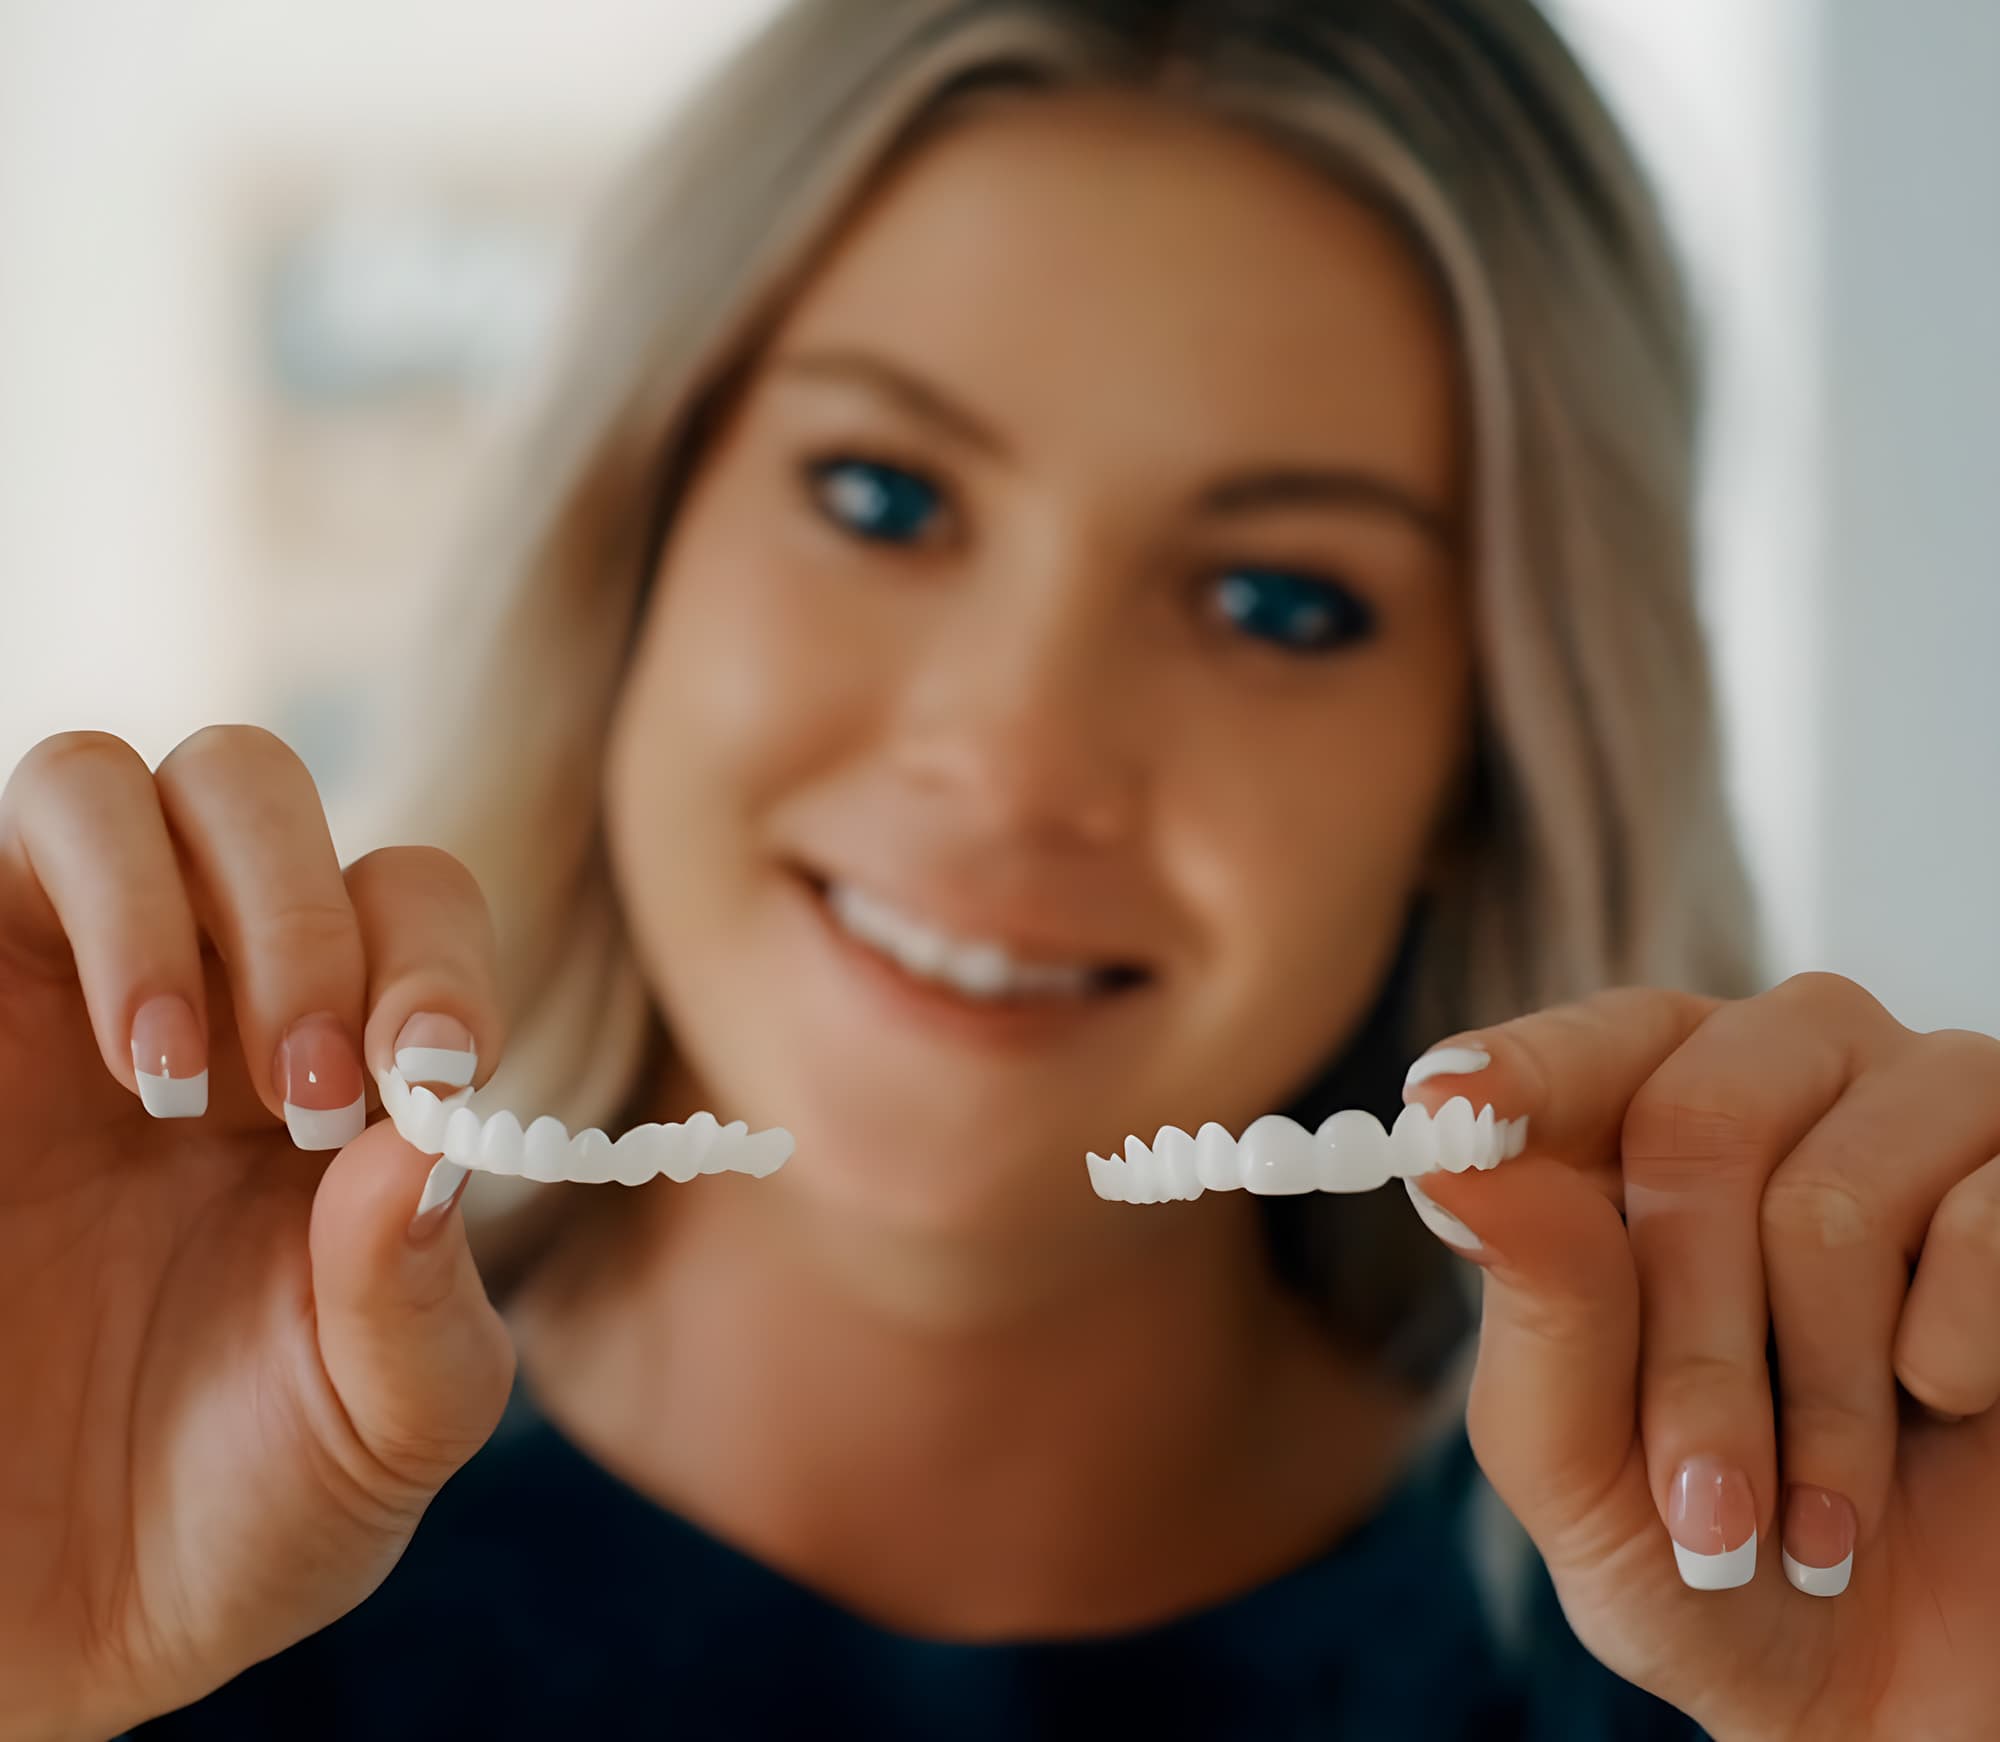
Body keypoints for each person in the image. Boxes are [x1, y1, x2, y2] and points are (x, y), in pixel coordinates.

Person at [4, 3, 1996, 1738]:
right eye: (881, 496)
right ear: (631, 553)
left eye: (1275, 599)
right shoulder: (154, 1555)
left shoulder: (1752, 1653)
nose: (1021, 752)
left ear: (1487, 761)